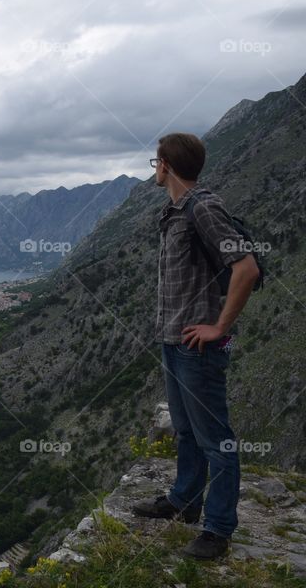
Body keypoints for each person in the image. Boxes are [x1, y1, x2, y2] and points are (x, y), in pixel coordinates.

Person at [131, 132, 260, 560]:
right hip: (173, 340)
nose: (155, 169)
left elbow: (246, 268)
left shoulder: (202, 207)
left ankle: (218, 529)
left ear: (166, 165)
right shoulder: (174, 211)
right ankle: (184, 501)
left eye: (156, 162)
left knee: (216, 440)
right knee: (186, 431)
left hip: (198, 348)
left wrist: (219, 327)